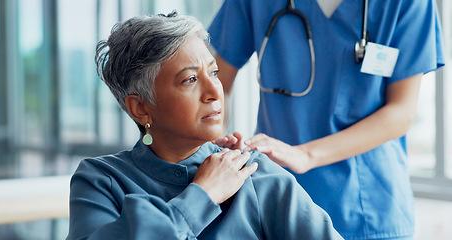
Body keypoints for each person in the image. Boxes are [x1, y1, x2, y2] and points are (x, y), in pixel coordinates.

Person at [66, 12, 343, 240]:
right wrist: (203, 195)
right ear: (141, 108)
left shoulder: (252, 172)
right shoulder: (101, 181)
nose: (214, 91)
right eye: (189, 80)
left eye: (213, 72)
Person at [208, 0, 445, 239]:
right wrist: (214, 152)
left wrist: (305, 154)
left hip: (368, 208)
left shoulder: (406, 4)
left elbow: (400, 113)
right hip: (276, 200)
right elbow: (215, 87)